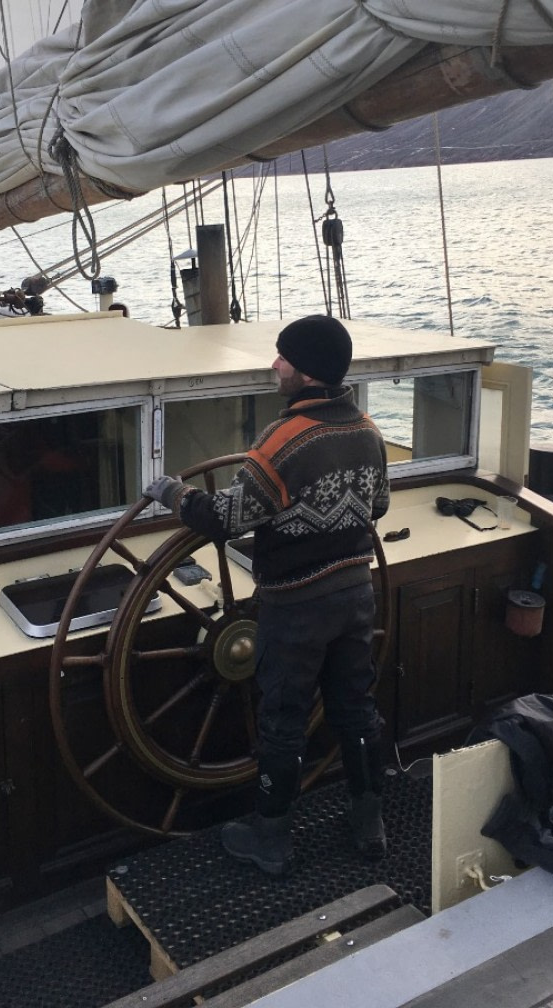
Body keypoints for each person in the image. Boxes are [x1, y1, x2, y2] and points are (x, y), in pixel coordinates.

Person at [144, 315, 390, 876]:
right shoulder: (368, 430)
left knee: (282, 719)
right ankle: (369, 825)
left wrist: (171, 493)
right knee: (356, 709)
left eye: (283, 358)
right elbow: (377, 507)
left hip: (296, 604)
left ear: (306, 373)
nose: (275, 365)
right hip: (356, 594)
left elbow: (226, 518)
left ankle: (272, 839)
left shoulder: (283, 440)